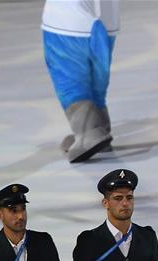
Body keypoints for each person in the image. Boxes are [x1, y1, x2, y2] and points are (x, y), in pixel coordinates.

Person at [41, 0, 117, 163]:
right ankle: (99, 128)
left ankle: (87, 132)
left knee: (69, 80)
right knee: (97, 81)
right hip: (108, 18)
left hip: (66, 20)